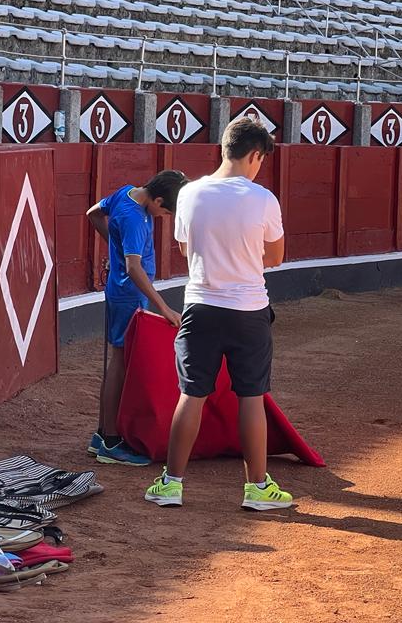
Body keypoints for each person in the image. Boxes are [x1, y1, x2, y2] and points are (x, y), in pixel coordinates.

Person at [145, 117, 292, 511]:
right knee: (251, 396)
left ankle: (171, 483)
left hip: (201, 305)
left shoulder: (190, 192)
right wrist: (245, 256)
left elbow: (183, 250)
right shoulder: (263, 199)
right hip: (248, 308)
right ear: (255, 155)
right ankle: (257, 488)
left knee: (191, 393)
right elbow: (275, 257)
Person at [86, 170, 188, 465]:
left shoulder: (126, 191)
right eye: (165, 211)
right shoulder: (135, 219)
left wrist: (114, 247)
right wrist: (164, 308)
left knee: (120, 360)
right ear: (157, 199)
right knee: (119, 362)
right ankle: (110, 441)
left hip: (123, 293)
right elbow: (133, 268)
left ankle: (102, 434)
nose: (164, 216)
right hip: (128, 294)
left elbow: (93, 213)